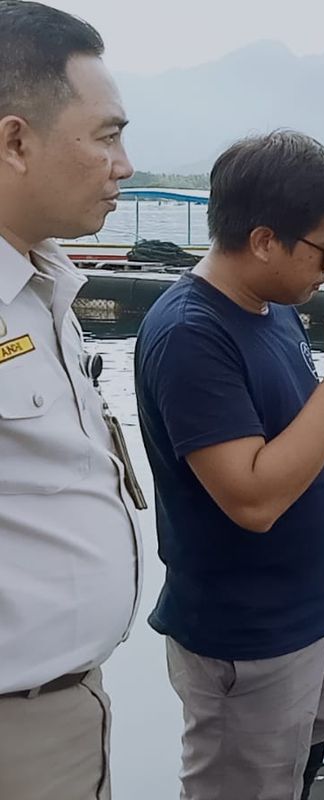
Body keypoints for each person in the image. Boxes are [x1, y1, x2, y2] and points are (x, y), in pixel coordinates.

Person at [135, 132, 324, 800]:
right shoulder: (191, 332)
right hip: (244, 637)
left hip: (303, 612)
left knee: (299, 776)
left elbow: (298, 440)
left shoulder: (273, 310)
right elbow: (252, 498)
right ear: (263, 239)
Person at [0, 5, 141, 798]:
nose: (124, 164)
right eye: (107, 135)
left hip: (68, 702)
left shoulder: (42, 289)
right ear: (16, 141)